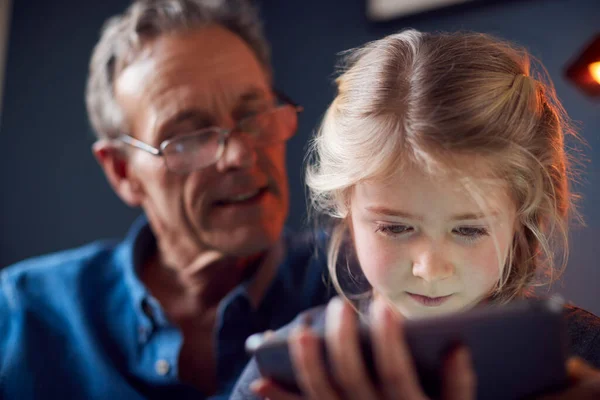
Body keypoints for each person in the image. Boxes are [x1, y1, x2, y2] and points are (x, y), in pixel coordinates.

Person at [231, 29, 600, 400]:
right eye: (395, 227)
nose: (429, 269)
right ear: (345, 205)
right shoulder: (286, 372)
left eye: (468, 230)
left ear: (522, 215)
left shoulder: (585, 360)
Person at [0, 1, 334, 399]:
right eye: (190, 137)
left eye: (255, 114)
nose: (241, 155)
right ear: (122, 172)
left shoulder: (361, 280)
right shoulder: (21, 314)